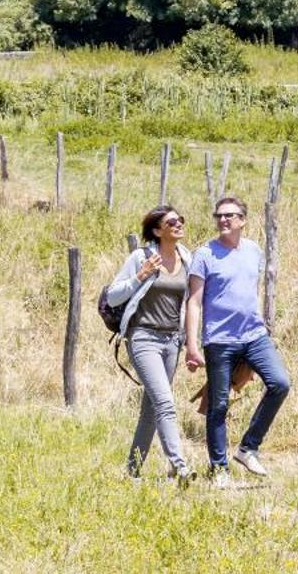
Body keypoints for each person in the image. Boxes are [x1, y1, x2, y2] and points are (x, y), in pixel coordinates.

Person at [185, 195, 291, 484]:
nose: (223, 220)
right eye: (219, 215)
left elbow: (248, 290)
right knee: (218, 404)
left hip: (254, 335)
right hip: (219, 340)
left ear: (243, 220)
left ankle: (248, 448)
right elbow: (194, 302)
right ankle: (219, 468)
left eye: (230, 215)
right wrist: (192, 345)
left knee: (280, 383)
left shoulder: (254, 251)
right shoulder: (204, 254)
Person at [103, 206, 195, 483]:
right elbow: (113, 297)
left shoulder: (186, 257)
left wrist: (190, 342)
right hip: (143, 337)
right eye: (172, 222)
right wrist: (140, 276)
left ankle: (132, 471)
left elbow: (191, 301)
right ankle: (179, 467)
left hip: (171, 341)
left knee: (151, 409)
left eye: (181, 219)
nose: (179, 224)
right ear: (157, 230)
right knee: (165, 403)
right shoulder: (141, 257)